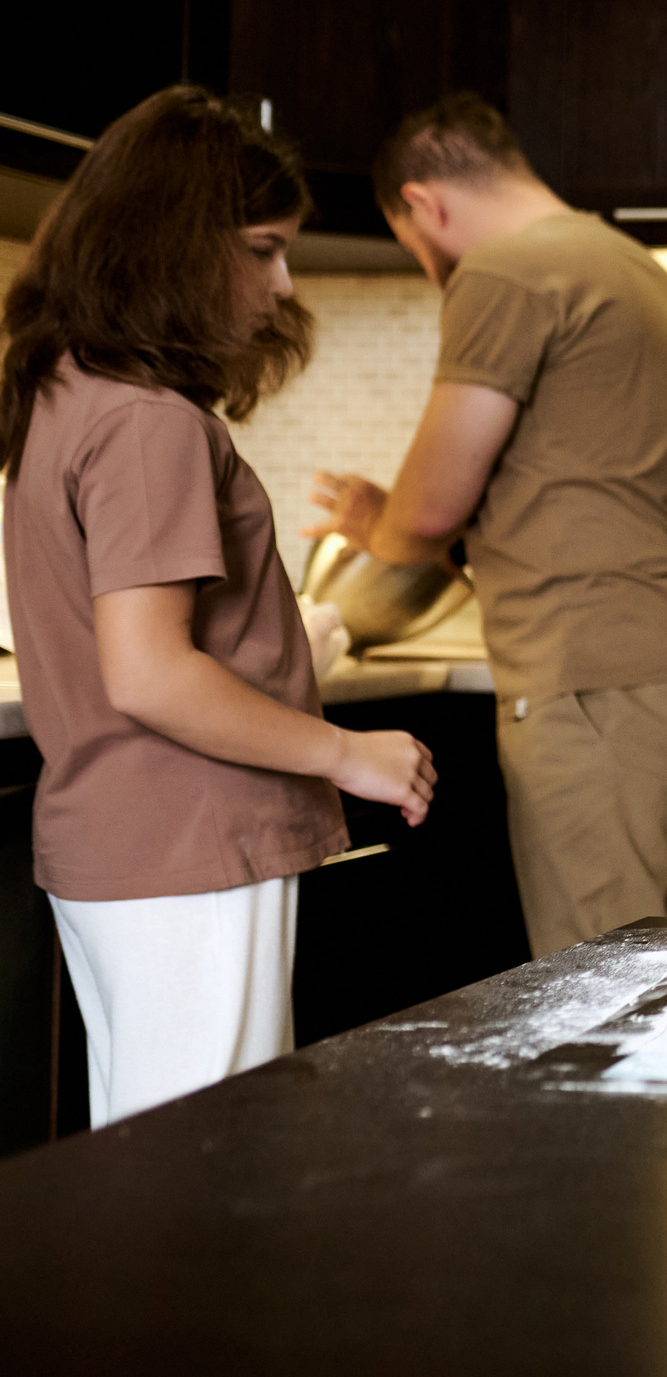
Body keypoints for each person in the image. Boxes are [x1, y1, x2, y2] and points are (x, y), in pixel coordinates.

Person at [0, 87, 436, 1123]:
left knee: (147, 1159)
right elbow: (151, 672)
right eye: (263, 250)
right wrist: (347, 751)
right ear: (176, 245)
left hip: (125, 847)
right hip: (190, 843)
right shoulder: (149, 423)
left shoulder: (63, 389)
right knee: (208, 1165)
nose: (284, 283)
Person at [309, 94, 667, 959]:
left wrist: (371, 517)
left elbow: (426, 515)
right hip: (651, 673)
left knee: (594, 991)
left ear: (424, 203)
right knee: (619, 970)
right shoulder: (630, 265)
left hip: (590, 682)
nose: (432, 271)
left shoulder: (505, 273)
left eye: (413, 247)